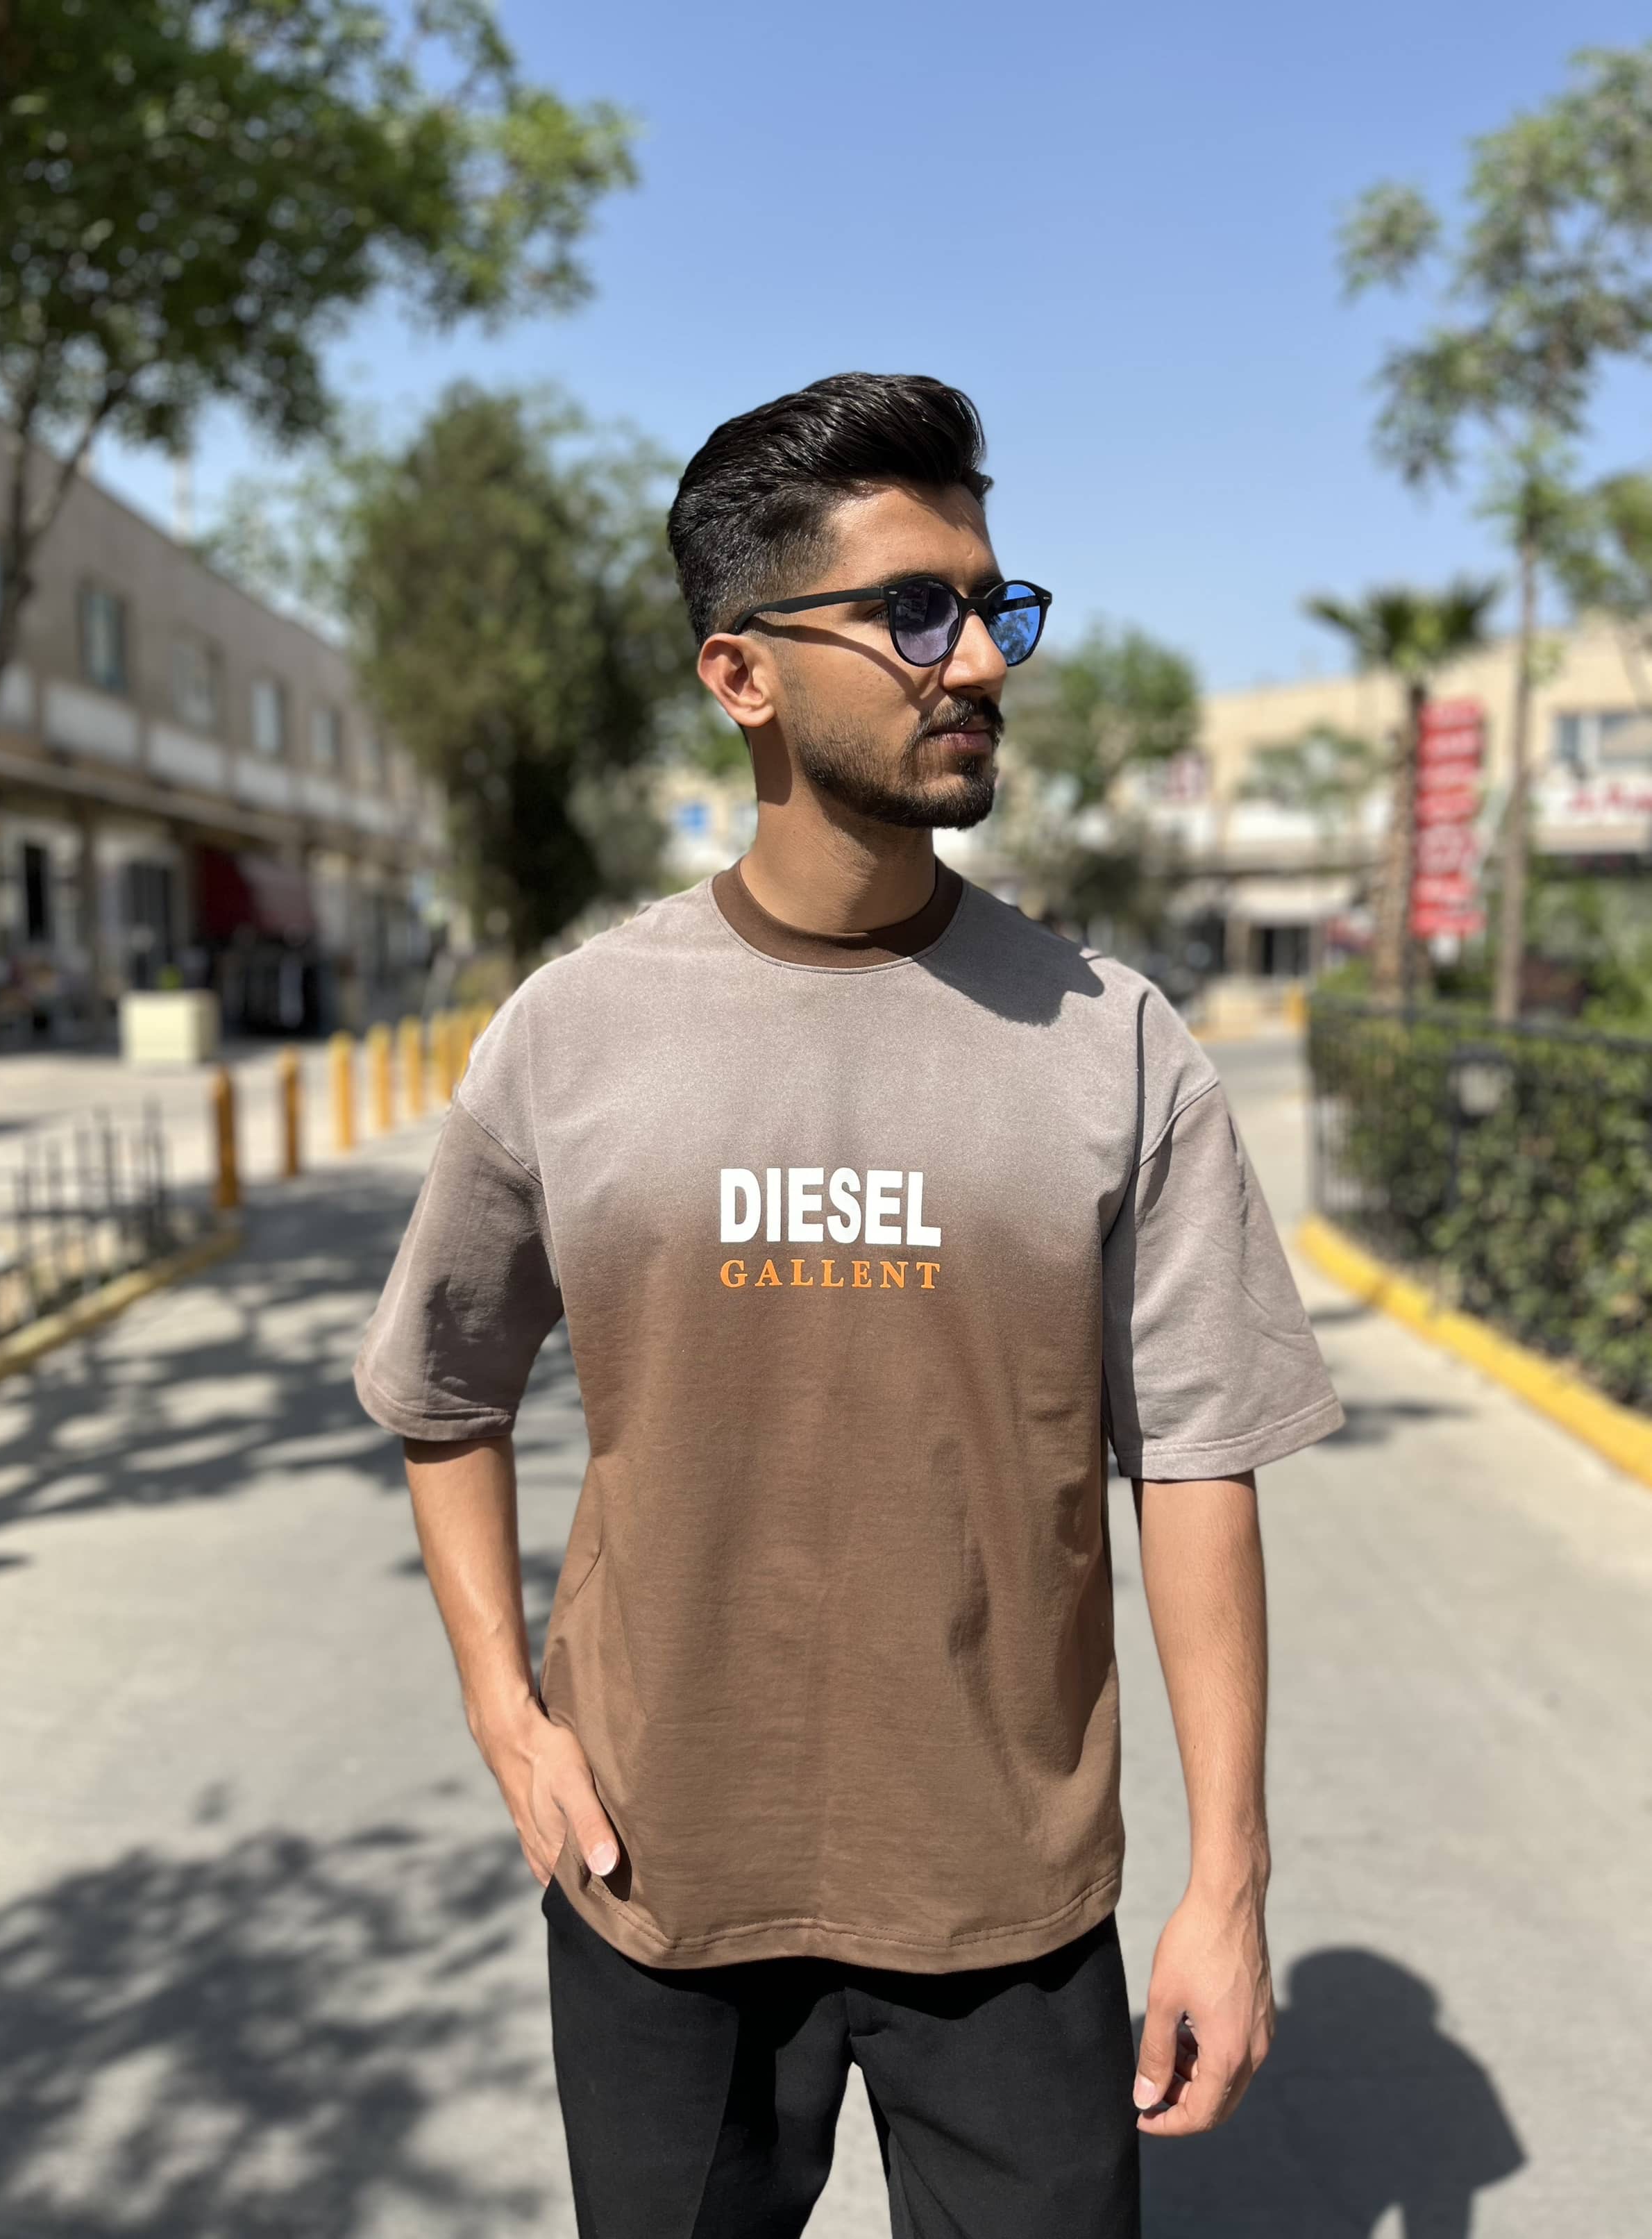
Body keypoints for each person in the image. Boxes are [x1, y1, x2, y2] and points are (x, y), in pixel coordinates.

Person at [352, 371, 1347, 2238]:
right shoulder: (574, 1036)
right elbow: (442, 1387)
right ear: (741, 674)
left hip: (1009, 1903)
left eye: (988, 607)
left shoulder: (1114, 1043)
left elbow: (1198, 1463)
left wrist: (1228, 1882)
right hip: (657, 1884)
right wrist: (507, 1712)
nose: (975, 661)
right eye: (911, 611)